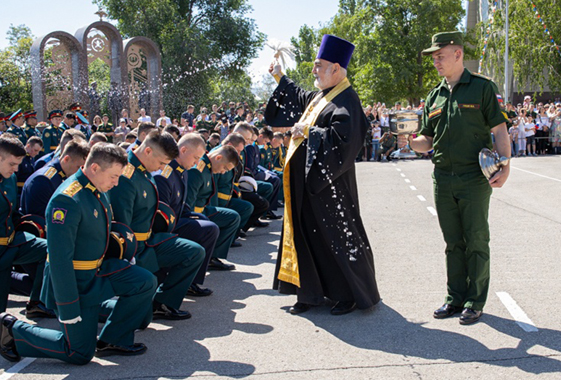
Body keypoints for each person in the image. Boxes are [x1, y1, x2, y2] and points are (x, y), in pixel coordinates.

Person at [0, 143, 157, 364]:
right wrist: (68, 307)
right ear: (94, 168)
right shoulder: (66, 200)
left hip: (97, 271)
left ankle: (113, 339)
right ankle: (12, 330)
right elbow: (59, 261)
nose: (116, 182)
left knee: (145, 283)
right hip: (75, 283)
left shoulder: (97, 189)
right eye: (113, 176)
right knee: (80, 353)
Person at [265, 34, 381, 316]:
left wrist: (308, 132)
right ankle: (310, 293)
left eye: (319, 65)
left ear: (336, 69)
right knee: (306, 236)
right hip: (305, 185)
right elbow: (300, 97)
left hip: (329, 185)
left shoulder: (347, 101)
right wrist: (280, 77)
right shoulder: (323, 95)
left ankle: (347, 295)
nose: (314, 70)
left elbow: (346, 141)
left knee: (336, 238)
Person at [406, 31, 510, 325]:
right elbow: (427, 140)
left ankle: (475, 301)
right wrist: (410, 143)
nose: (436, 61)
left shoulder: (481, 88)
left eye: (440, 55)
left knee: (476, 239)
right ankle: (455, 298)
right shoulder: (434, 96)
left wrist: (505, 165)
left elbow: (500, 130)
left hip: (474, 178)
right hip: (443, 178)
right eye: (433, 57)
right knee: (453, 241)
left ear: (458, 54)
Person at [110, 130, 205, 320]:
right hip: (135, 249)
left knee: (194, 252)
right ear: (147, 152)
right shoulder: (127, 176)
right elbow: (122, 224)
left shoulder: (145, 170)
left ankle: (164, 303)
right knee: (142, 320)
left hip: (150, 240)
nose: (161, 168)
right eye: (161, 163)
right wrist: (131, 258)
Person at [153, 133, 219, 296]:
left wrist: (194, 216)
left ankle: (191, 282)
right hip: (165, 227)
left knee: (209, 226)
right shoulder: (165, 174)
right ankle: (176, 286)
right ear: (183, 150)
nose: (197, 163)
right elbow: (162, 215)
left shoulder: (183, 169)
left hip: (178, 218)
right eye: (195, 158)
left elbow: (183, 204)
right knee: (208, 228)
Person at [0, 136, 50, 318]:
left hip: (11, 241)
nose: (16, 169)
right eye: (12, 163)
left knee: (50, 250)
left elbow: (12, 213)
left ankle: (37, 302)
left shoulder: (10, 178)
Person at [185, 145, 241, 270]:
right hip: (195, 213)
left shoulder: (208, 167)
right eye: (225, 168)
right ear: (218, 157)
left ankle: (213, 257)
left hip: (204, 210)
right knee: (213, 226)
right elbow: (188, 203)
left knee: (232, 217)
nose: (223, 172)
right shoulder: (198, 170)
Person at [21, 140, 90, 218]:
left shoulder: (62, 175)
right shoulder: (43, 180)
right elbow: (40, 218)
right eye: (78, 167)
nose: (80, 172)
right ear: (66, 159)